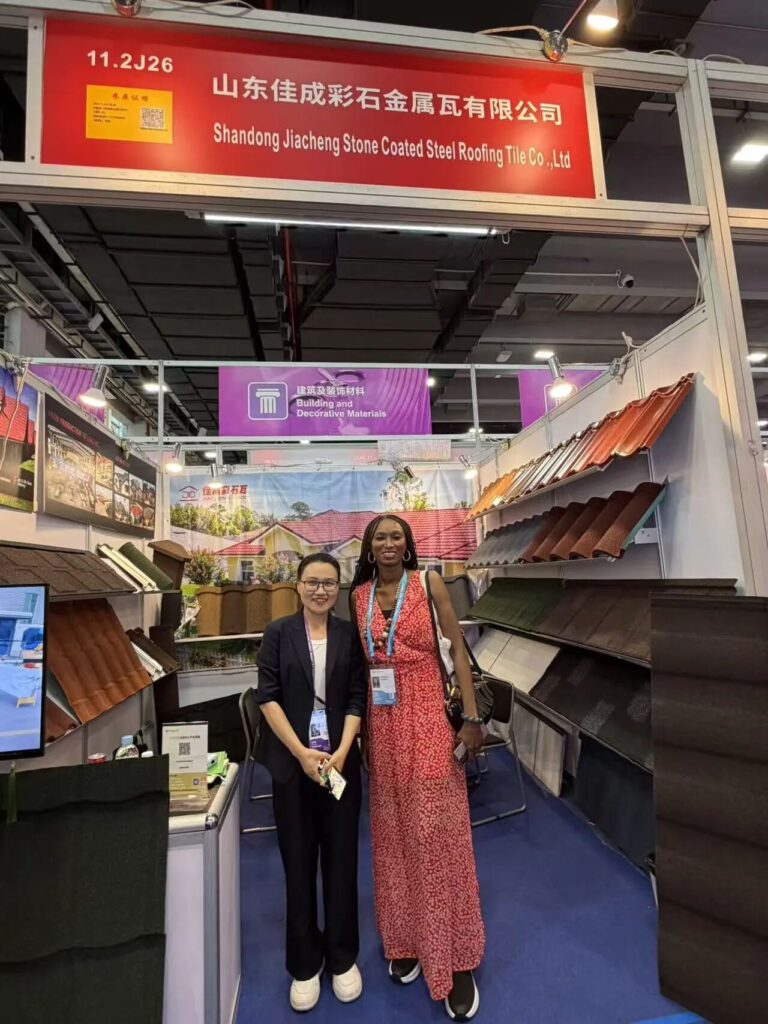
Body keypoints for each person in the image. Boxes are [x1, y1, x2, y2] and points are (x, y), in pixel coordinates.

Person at [350, 516, 486, 1021]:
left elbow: (458, 652)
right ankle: (406, 938)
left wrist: (471, 718)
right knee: (392, 835)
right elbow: (363, 669)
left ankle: (455, 956)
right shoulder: (358, 596)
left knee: (435, 835)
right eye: (380, 537)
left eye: (396, 536)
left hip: (428, 717)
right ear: (369, 547)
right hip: (384, 727)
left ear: (407, 544)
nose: (389, 543)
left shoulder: (429, 582)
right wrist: (363, 736)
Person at [255, 553, 366, 1012]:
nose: (321, 590)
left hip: (339, 763)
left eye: (329, 583)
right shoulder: (278, 633)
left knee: (342, 862)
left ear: (338, 589)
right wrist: (301, 753)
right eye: (312, 582)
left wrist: (342, 750)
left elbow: (358, 696)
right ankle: (304, 963)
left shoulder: (348, 634)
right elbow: (268, 697)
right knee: (298, 864)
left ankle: (342, 957)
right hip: (293, 764)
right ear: (298, 586)